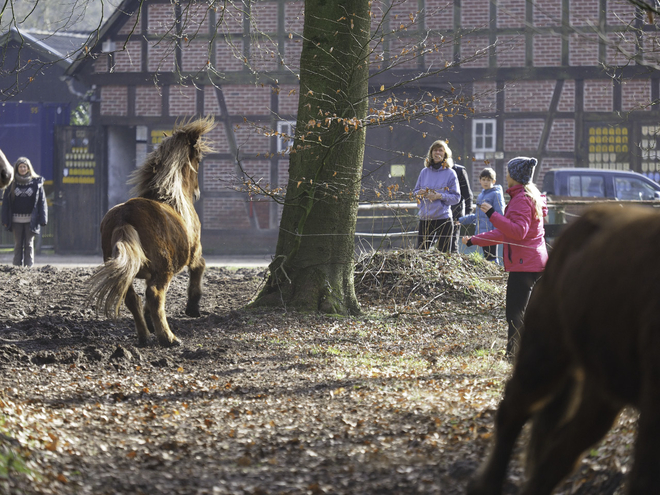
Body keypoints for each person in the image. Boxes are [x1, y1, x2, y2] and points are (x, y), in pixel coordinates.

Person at [462, 157, 548, 358]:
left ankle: (513, 356)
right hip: (533, 263)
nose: (506, 175)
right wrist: (475, 240)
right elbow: (504, 232)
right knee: (528, 314)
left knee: (515, 315)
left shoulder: (521, 200)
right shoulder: (526, 197)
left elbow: (517, 232)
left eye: (509, 172)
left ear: (516, 176)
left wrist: (492, 214)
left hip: (524, 265)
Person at [413, 140, 461, 252]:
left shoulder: (450, 173)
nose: (437, 152)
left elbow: (456, 198)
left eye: (440, 150)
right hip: (426, 217)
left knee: (444, 254)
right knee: (421, 252)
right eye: (435, 150)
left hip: (443, 218)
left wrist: (440, 196)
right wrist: (420, 193)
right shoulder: (424, 172)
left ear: (445, 154)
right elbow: (415, 192)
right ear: (431, 153)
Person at [1, 157, 48, 267]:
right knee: (18, 244)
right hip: (16, 220)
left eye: (24, 166)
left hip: (31, 220)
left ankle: (28, 268)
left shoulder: (37, 183)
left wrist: (43, 218)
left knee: (29, 244)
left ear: (28, 168)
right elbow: (6, 203)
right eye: (20, 167)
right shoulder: (11, 184)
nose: (22, 169)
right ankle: (17, 267)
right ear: (16, 169)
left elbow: (42, 201)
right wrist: (5, 220)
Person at [458, 167, 505, 262]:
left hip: (492, 233)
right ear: (480, 180)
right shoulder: (481, 195)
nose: (486, 182)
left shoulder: (496, 194)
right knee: (487, 257)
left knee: (492, 257)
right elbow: (477, 216)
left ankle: (494, 274)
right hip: (482, 233)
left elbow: (500, 214)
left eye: (488, 180)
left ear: (494, 181)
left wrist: (498, 232)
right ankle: (490, 275)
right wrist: (460, 220)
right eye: (483, 179)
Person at [450, 160, 474, 254]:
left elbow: (467, 195)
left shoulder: (459, 170)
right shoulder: (432, 170)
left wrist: (468, 215)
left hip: (455, 212)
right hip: (436, 212)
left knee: (453, 244)